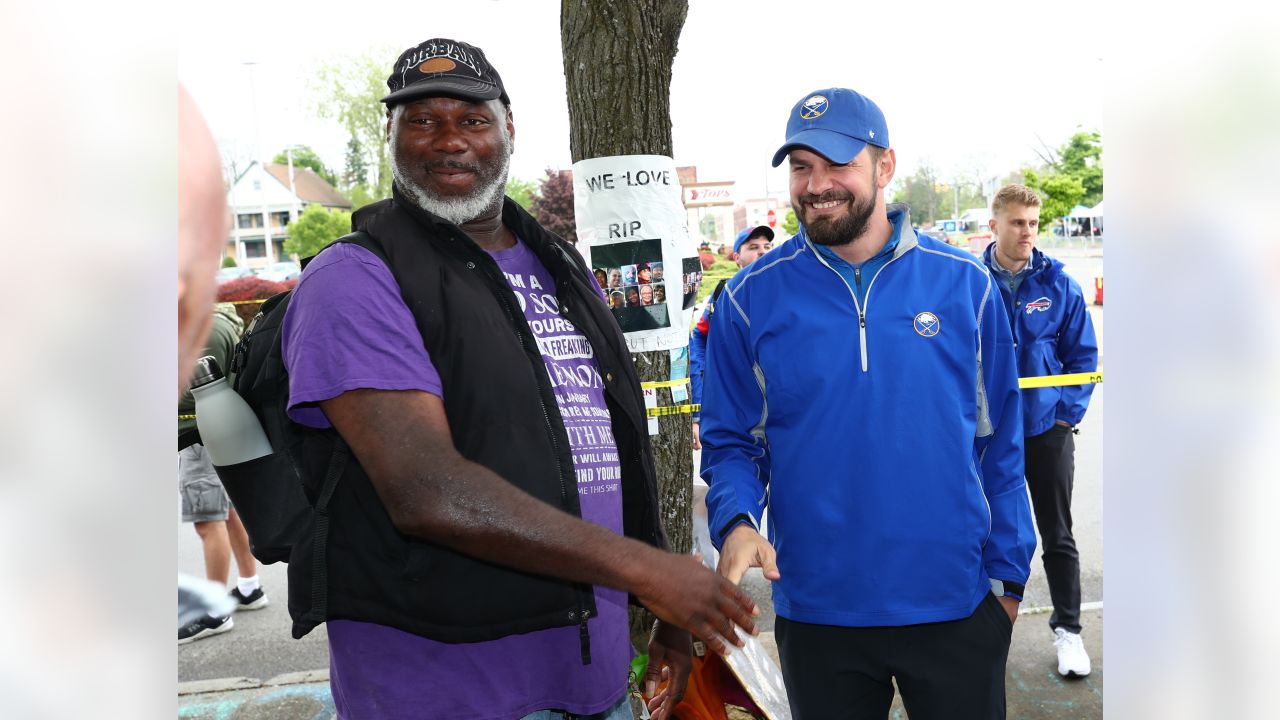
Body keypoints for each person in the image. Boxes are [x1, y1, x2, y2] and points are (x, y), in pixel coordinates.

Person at [279, 38, 757, 720]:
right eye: (421, 120)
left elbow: (618, 452)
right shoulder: (355, 279)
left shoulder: (558, 265)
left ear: (509, 130)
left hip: (593, 687)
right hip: (445, 693)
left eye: (471, 119)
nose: (448, 141)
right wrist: (648, 571)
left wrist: (668, 617)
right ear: (389, 135)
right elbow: (426, 488)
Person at [701, 87, 1035, 719]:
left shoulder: (965, 285)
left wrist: (1008, 583)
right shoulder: (748, 298)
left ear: (884, 167)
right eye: (801, 166)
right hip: (818, 615)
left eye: (837, 165)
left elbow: (1003, 445)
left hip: (957, 607)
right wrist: (738, 520)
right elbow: (730, 442)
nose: (816, 185)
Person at [981, 184, 1099, 678]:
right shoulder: (968, 281)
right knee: (981, 530)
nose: (1027, 232)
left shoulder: (1059, 284)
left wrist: (1065, 416)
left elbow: (1083, 357)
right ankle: (982, 632)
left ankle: (1069, 632)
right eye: (1017, 223)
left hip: (1046, 429)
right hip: (988, 433)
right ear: (995, 225)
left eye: (1032, 223)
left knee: (1057, 534)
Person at [178, 303, 270, 644]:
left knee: (207, 523)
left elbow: (201, 388)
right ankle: (250, 587)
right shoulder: (202, 322)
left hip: (199, 433)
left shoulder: (205, 329)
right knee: (229, 514)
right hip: (204, 432)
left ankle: (214, 613)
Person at [687, 225, 774, 450]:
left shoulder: (789, 293)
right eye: (753, 247)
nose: (763, 252)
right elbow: (699, 339)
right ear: (737, 257)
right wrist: (701, 402)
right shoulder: (724, 295)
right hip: (738, 408)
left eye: (767, 246)